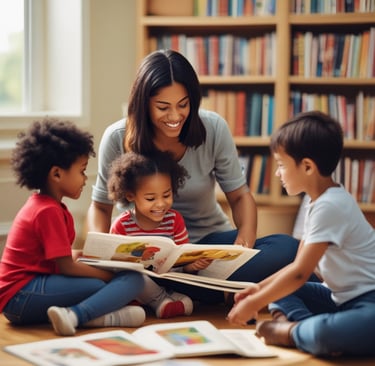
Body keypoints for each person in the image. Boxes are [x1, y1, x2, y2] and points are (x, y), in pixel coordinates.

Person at [86, 48, 301, 302]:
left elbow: (241, 196)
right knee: (135, 273)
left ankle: (180, 290)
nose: (175, 116)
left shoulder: (213, 128)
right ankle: (208, 290)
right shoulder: (117, 137)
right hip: (145, 255)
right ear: (143, 104)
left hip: (205, 247)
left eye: (183, 105)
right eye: (163, 107)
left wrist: (243, 243)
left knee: (288, 248)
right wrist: (102, 257)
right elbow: (100, 207)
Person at [227, 111, 375, 357]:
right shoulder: (316, 202)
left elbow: (300, 273)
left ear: (307, 167)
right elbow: (297, 266)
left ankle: (293, 332)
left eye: (282, 165)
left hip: (368, 302)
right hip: (341, 300)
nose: (277, 173)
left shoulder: (331, 205)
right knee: (283, 290)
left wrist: (255, 302)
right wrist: (257, 289)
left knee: (325, 332)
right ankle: (299, 329)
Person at [0, 118, 146, 337]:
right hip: (20, 296)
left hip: (28, 291)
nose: (85, 178)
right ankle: (76, 315)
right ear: (57, 174)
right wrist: (107, 275)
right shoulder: (47, 211)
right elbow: (66, 267)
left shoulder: (49, 206)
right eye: (82, 170)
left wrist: (99, 259)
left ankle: (97, 316)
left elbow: (61, 258)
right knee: (101, 286)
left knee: (124, 280)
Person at [107, 150, 212, 318]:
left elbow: (182, 260)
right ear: (130, 195)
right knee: (133, 277)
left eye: (167, 195)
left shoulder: (174, 220)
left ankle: (159, 301)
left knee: (186, 297)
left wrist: (192, 265)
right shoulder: (122, 225)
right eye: (150, 198)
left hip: (168, 280)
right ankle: (159, 301)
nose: (161, 204)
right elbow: (114, 265)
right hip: (137, 282)